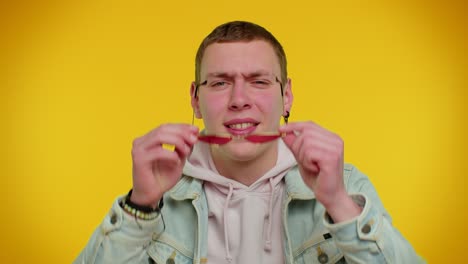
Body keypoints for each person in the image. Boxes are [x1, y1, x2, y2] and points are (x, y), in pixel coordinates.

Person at [74, 21, 423, 264]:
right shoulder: (155, 195)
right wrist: (140, 208)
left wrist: (338, 203)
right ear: (195, 99)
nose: (239, 99)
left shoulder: (346, 187)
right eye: (221, 83)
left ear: (286, 96)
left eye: (258, 81)